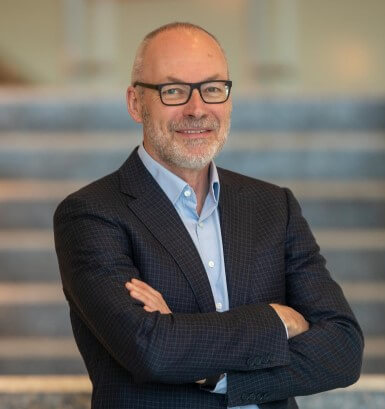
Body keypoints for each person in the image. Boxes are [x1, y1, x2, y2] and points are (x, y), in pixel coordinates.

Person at [54, 22, 363, 409]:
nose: (197, 108)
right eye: (174, 90)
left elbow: (343, 349)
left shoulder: (272, 206)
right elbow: (152, 348)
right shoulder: (91, 214)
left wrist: (215, 372)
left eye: (213, 88)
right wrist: (276, 321)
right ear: (136, 103)